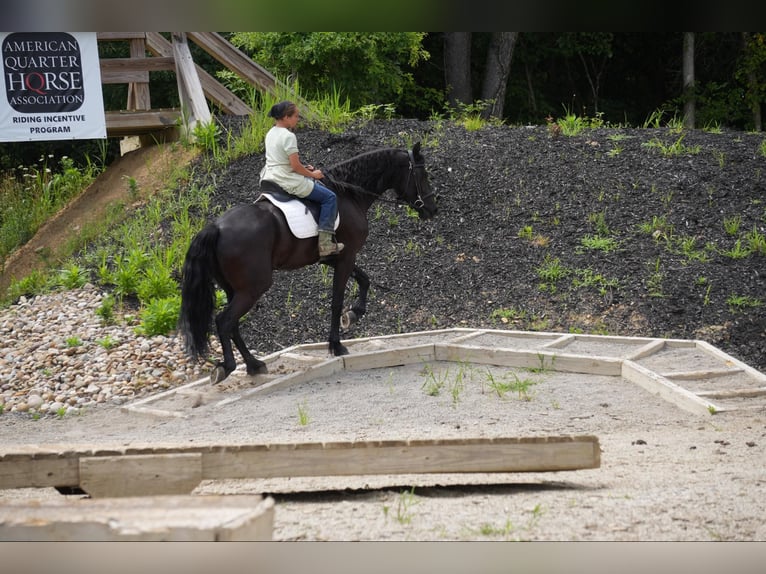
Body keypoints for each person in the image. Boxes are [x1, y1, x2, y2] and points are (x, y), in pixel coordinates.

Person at [260, 100, 344, 257]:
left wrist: (305, 167)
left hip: (270, 177)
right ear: (286, 117)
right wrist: (313, 174)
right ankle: (325, 244)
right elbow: (294, 167)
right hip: (287, 180)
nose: (297, 119)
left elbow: (281, 160)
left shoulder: (270, 133)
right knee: (330, 197)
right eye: (296, 116)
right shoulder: (288, 136)